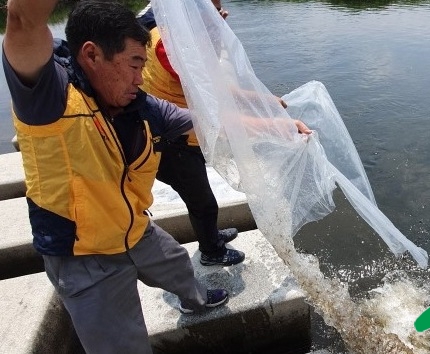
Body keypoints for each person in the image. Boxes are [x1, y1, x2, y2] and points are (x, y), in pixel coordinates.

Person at [2, 1, 228, 352]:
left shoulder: (141, 105)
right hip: (84, 258)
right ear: (91, 55)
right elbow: (22, 19)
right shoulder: (48, 97)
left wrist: (278, 125)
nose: (141, 78)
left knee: (179, 265)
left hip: (133, 228)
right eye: (135, 64)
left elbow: (206, 119)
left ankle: (194, 299)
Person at [137, 2, 310, 266]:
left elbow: (217, 91)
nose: (218, 16)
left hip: (180, 131)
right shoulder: (170, 49)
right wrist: (280, 125)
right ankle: (212, 252)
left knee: (200, 198)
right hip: (173, 142)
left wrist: (266, 102)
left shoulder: (167, 32)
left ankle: (212, 236)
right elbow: (219, 113)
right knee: (202, 201)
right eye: (210, 11)